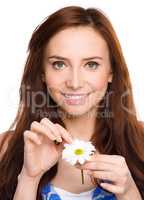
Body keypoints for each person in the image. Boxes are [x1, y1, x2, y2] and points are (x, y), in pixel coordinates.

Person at [0, 5, 144, 200]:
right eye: (59, 64)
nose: (75, 83)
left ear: (111, 72)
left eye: (91, 64)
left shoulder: (141, 140)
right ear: (42, 72)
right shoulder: (5, 147)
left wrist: (129, 192)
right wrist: (28, 178)